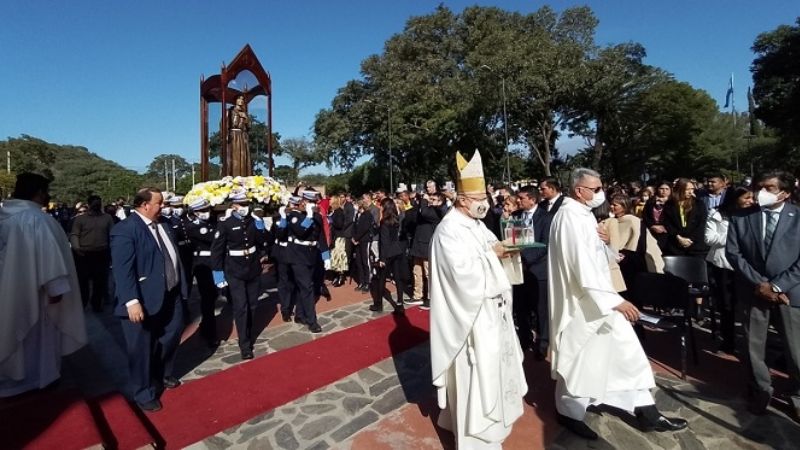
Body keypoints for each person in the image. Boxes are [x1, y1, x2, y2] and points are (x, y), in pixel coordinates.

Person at [548, 168, 687, 440]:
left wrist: (606, 245)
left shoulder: (582, 215)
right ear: (579, 191)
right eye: (596, 188)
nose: (601, 193)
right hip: (584, 303)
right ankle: (568, 411)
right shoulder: (570, 218)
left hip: (596, 299)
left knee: (624, 352)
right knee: (578, 359)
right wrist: (614, 300)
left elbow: (593, 256)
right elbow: (581, 266)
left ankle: (646, 411)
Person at [430, 151, 527, 448]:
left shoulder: (476, 224)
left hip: (492, 310)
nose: (483, 201)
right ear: (461, 199)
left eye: (483, 194)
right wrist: (491, 255)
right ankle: (476, 438)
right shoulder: (449, 230)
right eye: (476, 196)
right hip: (471, 317)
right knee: (475, 373)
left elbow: (491, 247)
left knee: (495, 369)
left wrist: (506, 249)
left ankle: (480, 423)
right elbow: (461, 275)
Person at [0, 173, 87, 398]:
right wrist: (55, 290)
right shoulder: (35, 219)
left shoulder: (6, 216)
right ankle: (37, 379)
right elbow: (49, 258)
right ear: (39, 192)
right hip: (34, 295)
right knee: (34, 340)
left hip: (9, 290)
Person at [726, 171, 800, 417]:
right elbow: (734, 253)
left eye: (768, 188)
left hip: (790, 294)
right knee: (752, 347)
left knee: (795, 350)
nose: (760, 193)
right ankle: (760, 391)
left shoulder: (798, 217)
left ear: (785, 193)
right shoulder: (741, 217)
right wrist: (760, 285)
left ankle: (797, 395)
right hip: (753, 291)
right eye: (759, 187)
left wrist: (777, 287)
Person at [111, 187, 188, 412]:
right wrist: (131, 301)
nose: (163, 206)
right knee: (141, 347)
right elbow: (123, 270)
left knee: (172, 334)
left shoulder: (165, 225)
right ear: (145, 205)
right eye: (159, 203)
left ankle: (161, 372)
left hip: (171, 293)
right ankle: (143, 392)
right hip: (142, 299)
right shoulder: (125, 230)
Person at [210, 191, 269, 358]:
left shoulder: (253, 221)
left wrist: (261, 228)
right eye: (242, 204)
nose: (245, 207)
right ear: (234, 206)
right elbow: (217, 250)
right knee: (241, 307)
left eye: (247, 204)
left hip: (253, 268)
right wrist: (218, 275)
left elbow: (263, 242)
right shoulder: (225, 224)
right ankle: (245, 344)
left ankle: (248, 333)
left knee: (252, 305)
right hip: (234, 269)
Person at [705, 186, 753, 354]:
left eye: (751, 198)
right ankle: (728, 340)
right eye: (746, 198)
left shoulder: (754, 214)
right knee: (727, 305)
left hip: (748, 266)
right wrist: (733, 236)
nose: (750, 201)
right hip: (724, 264)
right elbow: (709, 238)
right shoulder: (717, 214)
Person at [284, 191, 329, 333]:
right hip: (297, 256)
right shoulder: (294, 215)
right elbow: (301, 231)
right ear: (303, 202)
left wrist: (325, 255)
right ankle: (312, 320)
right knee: (307, 287)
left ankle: (300, 314)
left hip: (311, 255)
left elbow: (320, 236)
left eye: (314, 203)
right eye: (309, 202)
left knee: (302, 286)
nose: (312, 205)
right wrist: (309, 216)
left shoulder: (317, 216)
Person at [70, 194, 115, 312]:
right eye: (94, 203)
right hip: (83, 254)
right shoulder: (80, 219)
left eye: (98, 203)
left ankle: (96, 304)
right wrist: (76, 248)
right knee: (83, 282)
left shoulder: (107, 218)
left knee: (99, 282)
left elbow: (112, 235)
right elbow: (75, 234)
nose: (97, 206)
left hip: (101, 253)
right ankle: (82, 303)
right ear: (89, 205)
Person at [185, 198, 220, 347]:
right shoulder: (193, 227)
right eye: (202, 211)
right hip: (203, 265)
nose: (206, 213)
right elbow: (213, 238)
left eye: (207, 210)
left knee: (214, 295)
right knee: (207, 298)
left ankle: (206, 324)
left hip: (216, 263)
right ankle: (209, 332)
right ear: (195, 212)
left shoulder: (214, 222)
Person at [369, 198, 406, 314]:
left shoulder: (384, 222)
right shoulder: (396, 219)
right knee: (398, 278)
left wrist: (382, 259)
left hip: (387, 253)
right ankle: (400, 303)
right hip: (397, 251)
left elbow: (384, 242)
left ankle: (378, 304)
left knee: (381, 279)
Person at [226, 94, 251, 177]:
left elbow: (249, 127)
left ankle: (243, 176)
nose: (241, 100)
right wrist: (226, 135)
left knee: (243, 157)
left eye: (242, 99)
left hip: (242, 136)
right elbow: (224, 123)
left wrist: (246, 119)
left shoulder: (245, 113)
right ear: (235, 101)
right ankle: (232, 176)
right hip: (233, 135)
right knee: (234, 157)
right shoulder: (230, 111)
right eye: (238, 99)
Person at [643, 182, 672, 251]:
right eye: (661, 188)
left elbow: (673, 217)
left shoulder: (673, 202)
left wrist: (665, 203)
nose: (664, 191)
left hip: (667, 233)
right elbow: (645, 216)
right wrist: (652, 226)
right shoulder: (650, 201)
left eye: (667, 189)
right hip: (652, 232)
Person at [329, 195, 350, 287]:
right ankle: (336, 275)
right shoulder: (334, 212)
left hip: (339, 237)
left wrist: (331, 220)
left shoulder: (339, 212)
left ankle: (341, 276)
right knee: (334, 257)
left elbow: (340, 224)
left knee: (339, 257)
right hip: (335, 237)